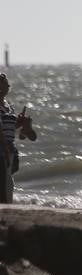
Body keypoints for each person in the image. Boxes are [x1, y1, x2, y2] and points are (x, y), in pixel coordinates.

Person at [0, 72, 38, 205]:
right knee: (4, 184)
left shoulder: (8, 106)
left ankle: (6, 208)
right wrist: (4, 145)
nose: (8, 85)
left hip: (10, 148)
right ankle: (5, 210)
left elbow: (8, 127)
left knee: (8, 182)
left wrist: (20, 124)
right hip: (3, 148)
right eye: (5, 82)